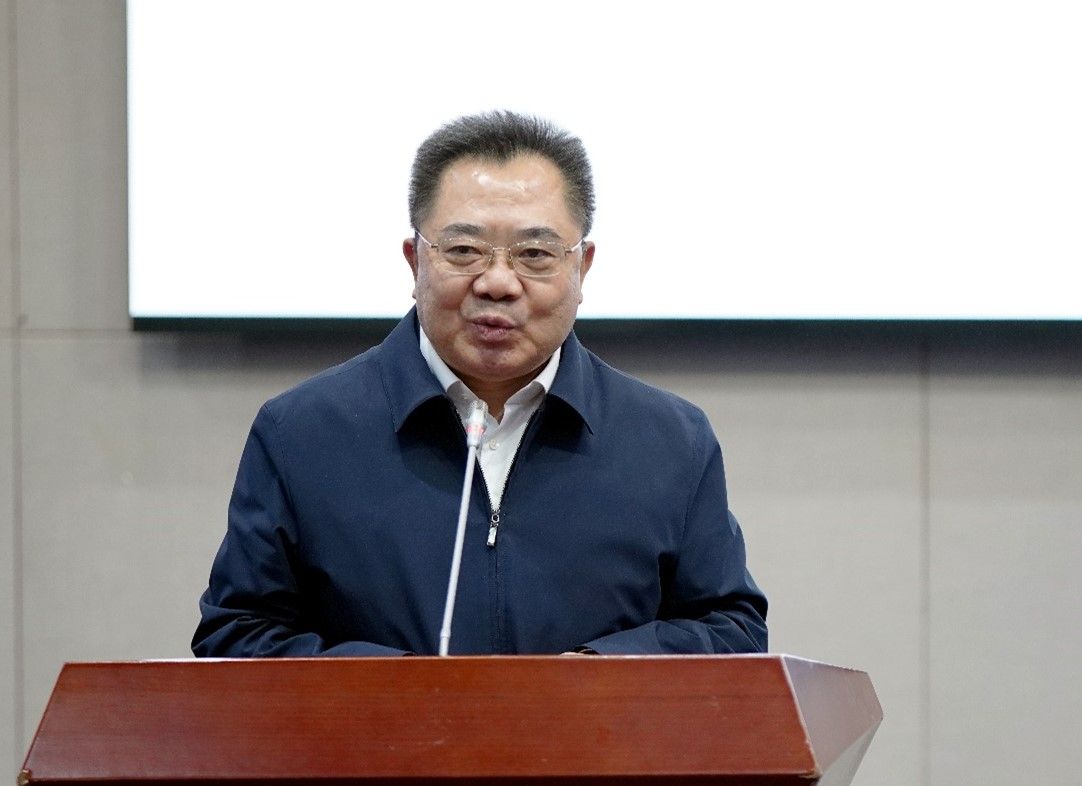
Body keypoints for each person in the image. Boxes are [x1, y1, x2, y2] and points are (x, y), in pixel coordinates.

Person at [192, 111, 767, 657]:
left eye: (535, 254)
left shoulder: (669, 439)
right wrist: (400, 690)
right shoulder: (302, 432)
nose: (497, 282)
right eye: (464, 250)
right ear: (415, 260)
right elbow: (236, 635)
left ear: (582, 267)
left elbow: (731, 630)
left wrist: (595, 677)